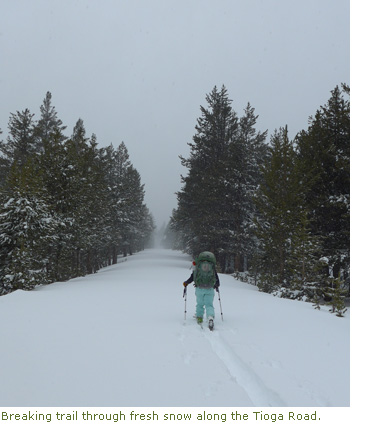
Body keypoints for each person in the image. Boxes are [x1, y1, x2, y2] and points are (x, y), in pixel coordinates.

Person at [183, 251, 220, 330]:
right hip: (209, 289)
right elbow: (216, 279)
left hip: (199, 288)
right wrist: (216, 285)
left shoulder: (198, 268)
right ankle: (210, 318)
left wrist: (186, 283)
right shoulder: (211, 268)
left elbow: (192, 277)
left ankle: (199, 317)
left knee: (200, 304)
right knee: (209, 305)